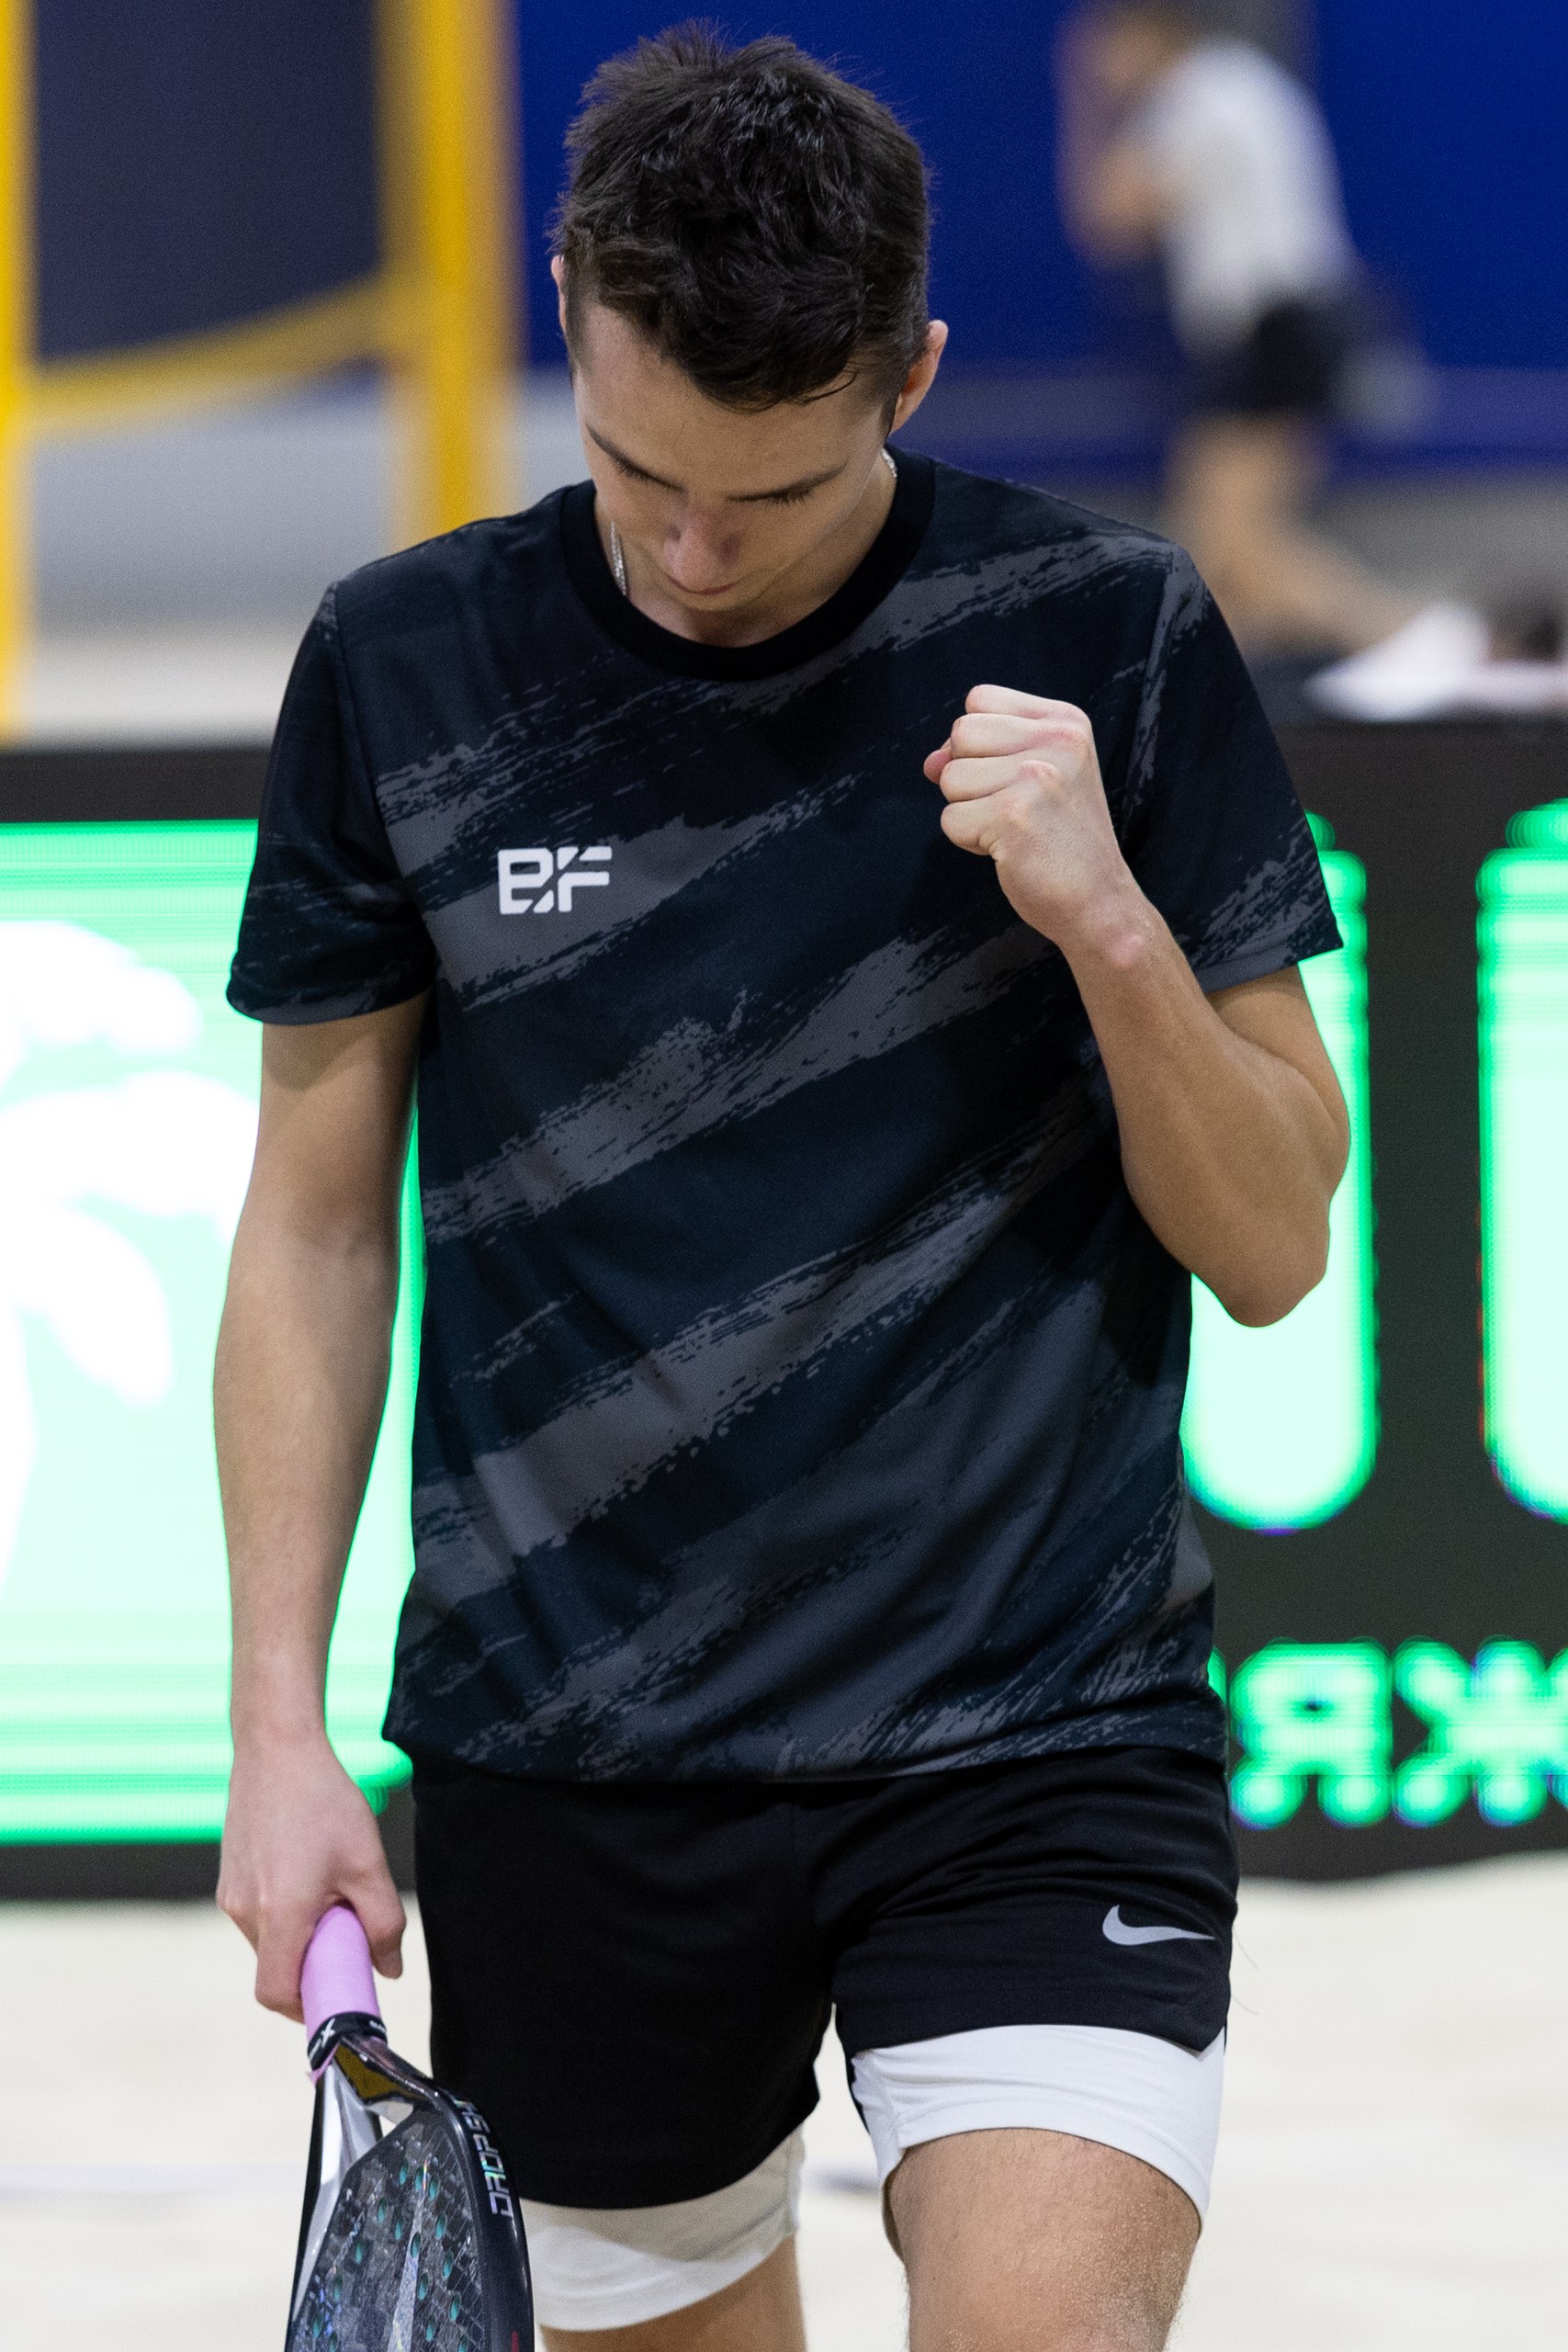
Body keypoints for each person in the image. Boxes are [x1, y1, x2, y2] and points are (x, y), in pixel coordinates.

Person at [215, 26, 1348, 2352]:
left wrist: (1106, 924)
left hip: (1034, 1724)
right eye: (640, 471)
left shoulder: (1107, 629)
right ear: (565, 305)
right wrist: (274, 1727)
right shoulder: (399, 663)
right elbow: (315, 1226)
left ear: (907, 371)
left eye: (778, 491)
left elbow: (1268, 1242)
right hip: (569, 1750)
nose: (695, 552)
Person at [1056, 0, 1416, 657]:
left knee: (1232, 550)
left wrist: (1085, 99)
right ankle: (1389, 651)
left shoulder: (1196, 94)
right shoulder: (1237, 82)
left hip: (1273, 334)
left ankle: (1414, 644)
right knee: (1223, 564)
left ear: (1144, 35)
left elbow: (1109, 219)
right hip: (1284, 328)